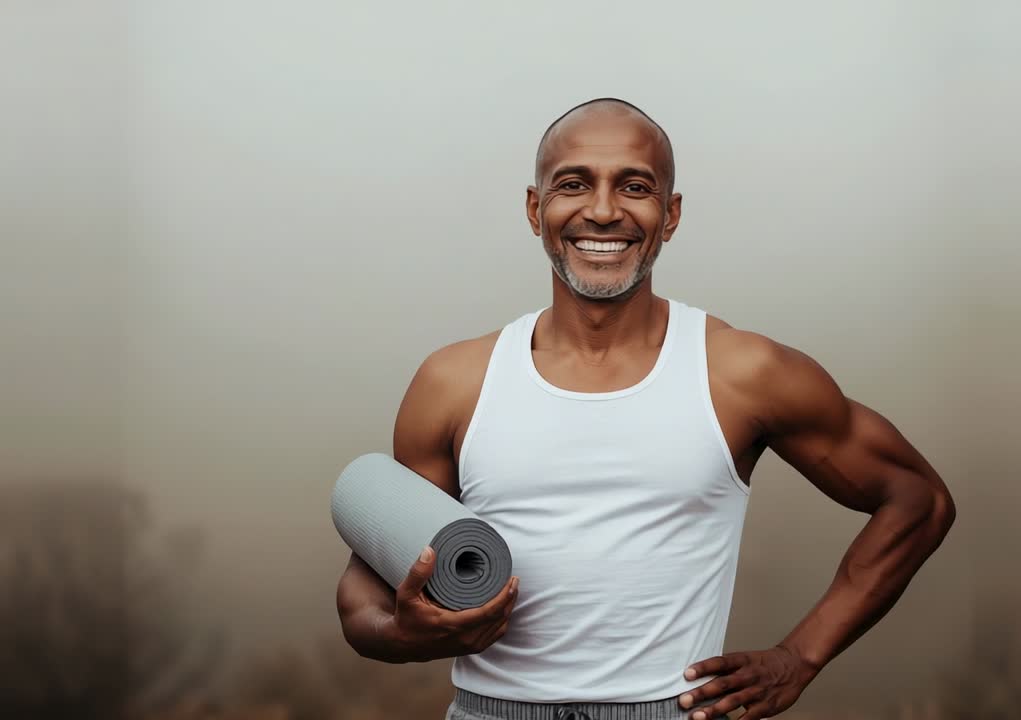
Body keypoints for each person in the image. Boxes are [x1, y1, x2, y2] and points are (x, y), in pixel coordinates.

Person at [335, 97, 956, 720]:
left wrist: (801, 656)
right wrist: (402, 634)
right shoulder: (454, 382)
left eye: (634, 186)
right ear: (535, 208)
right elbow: (364, 589)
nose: (603, 211)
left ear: (670, 214)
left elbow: (918, 500)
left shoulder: (742, 374)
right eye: (573, 184)